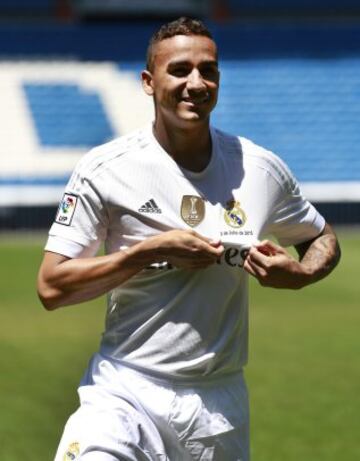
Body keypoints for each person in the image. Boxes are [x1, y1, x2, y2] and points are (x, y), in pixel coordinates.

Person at [37, 17, 341, 461]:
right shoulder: (105, 169)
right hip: (125, 391)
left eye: (208, 71)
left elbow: (321, 238)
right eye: (179, 70)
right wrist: (150, 251)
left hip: (217, 407)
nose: (196, 83)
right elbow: (51, 287)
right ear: (148, 81)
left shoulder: (259, 168)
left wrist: (301, 271)